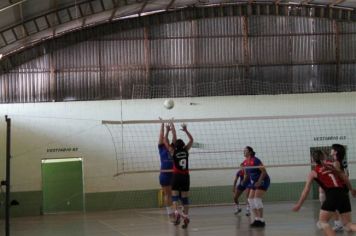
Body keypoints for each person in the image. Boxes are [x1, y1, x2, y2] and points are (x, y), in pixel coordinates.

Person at [293, 150, 356, 236]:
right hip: (343, 193)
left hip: (332, 194)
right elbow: (345, 178)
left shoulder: (313, 172)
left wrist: (299, 204)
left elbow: (306, 190)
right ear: (324, 157)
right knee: (348, 224)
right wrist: (351, 190)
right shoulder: (331, 165)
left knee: (323, 222)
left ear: (312, 160)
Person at [163, 122, 193, 229]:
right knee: (185, 199)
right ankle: (185, 216)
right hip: (185, 177)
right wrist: (186, 131)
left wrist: (167, 130)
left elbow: (165, 141)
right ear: (183, 145)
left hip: (176, 176)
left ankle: (176, 213)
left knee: (175, 197)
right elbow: (192, 140)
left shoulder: (173, 152)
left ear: (175, 146)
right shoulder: (186, 150)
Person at [244, 146, 270, 227]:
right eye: (243, 151)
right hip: (254, 182)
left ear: (250, 152)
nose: (244, 152)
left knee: (256, 199)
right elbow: (247, 174)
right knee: (250, 199)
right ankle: (257, 219)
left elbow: (264, 171)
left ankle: (262, 220)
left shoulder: (255, 160)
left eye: (245, 151)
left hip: (263, 180)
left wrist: (259, 181)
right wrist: (244, 181)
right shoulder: (245, 162)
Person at [158, 120, 174, 219]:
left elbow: (172, 138)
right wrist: (162, 124)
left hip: (173, 174)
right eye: (164, 139)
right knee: (167, 194)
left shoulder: (172, 149)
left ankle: (175, 210)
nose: (165, 139)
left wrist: (170, 128)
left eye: (166, 139)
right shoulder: (161, 148)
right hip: (164, 174)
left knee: (173, 194)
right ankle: (169, 213)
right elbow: (161, 136)